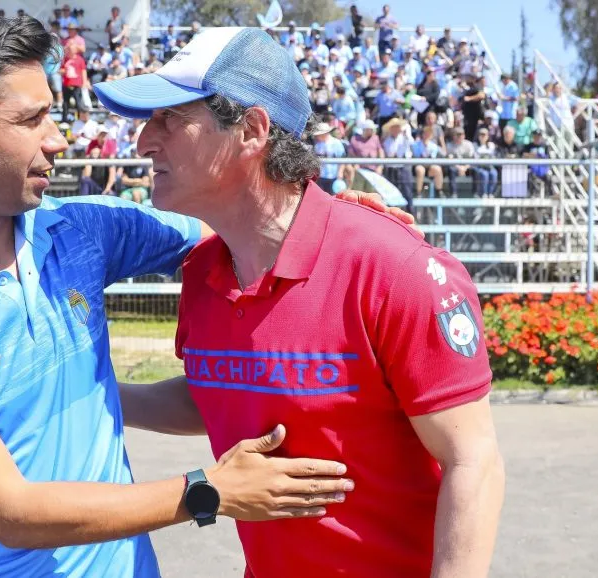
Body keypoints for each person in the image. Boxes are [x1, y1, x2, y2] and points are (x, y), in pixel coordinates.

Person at [0, 12, 410, 577]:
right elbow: (12, 512)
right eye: (31, 121)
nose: (59, 139)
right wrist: (207, 493)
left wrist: (331, 222)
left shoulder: (82, 230)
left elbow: (248, 221)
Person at [95, 25, 505, 578]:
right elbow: (225, 392)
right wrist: (93, 393)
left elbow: (473, 461)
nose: (144, 141)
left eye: (171, 118)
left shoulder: (392, 268)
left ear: (251, 130)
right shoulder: (203, 272)